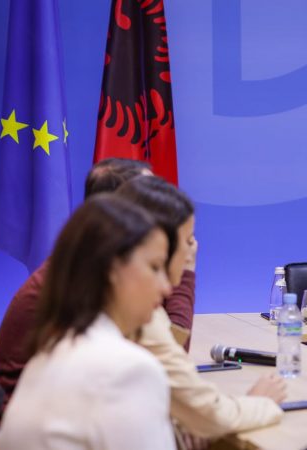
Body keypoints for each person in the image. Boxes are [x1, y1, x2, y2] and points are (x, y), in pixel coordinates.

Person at [0, 158, 196, 427]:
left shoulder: (88, 259)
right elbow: (166, 366)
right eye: (151, 204)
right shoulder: (90, 277)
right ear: (121, 217)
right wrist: (184, 269)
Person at [0, 195, 176, 449]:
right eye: (155, 267)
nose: (167, 287)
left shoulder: (49, 353)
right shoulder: (130, 371)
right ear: (112, 269)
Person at [116, 176, 286, 439]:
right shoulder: (135, 314)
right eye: (188, 240)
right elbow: (211, 417)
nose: (192, 249)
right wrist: (259, 402)